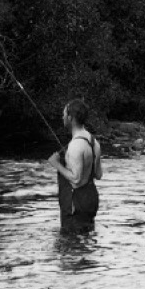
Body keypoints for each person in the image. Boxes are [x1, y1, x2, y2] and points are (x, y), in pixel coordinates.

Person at [47, 99, 102, 231]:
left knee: (70, 244)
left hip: (76, 203)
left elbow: (76, 178)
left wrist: (56, 164)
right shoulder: (94, 142)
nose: (62, 117)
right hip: (91, 199)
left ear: (70, 118)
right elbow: (98, 175)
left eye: (64, 114)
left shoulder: (75, 145)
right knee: (86, 239)